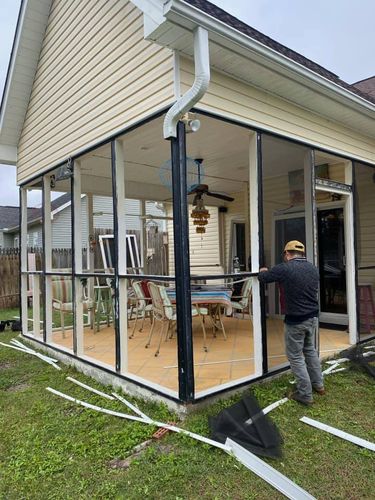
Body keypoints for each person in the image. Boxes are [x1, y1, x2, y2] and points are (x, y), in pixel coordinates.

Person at [258, 240, 324, 405]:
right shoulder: (313, 268)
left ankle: (305, 394)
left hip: (296, 320)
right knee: (310, 351)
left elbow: (264, 277)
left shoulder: (284, 268)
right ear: (302, 254)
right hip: (312, 317)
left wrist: (263, 270)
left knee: (295, 356)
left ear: (287, 254)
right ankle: (319, 385)